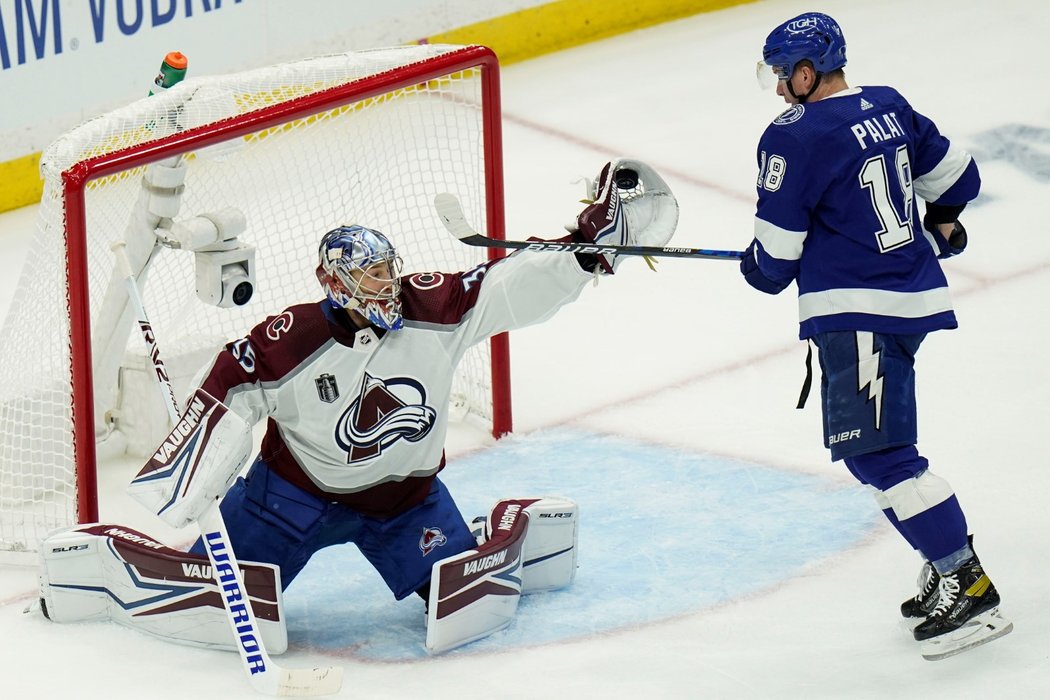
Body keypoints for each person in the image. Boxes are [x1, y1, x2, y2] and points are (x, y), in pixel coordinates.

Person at [183, 158, 678, 607]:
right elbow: (229, 384)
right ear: (335, 282)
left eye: (388, 270)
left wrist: (582, 253)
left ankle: (482, 533)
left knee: (468, 603)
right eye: (371, 275)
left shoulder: (433, 307)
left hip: (403, 501)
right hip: (289, 497)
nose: (388, 284)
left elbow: (505, 285)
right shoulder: (292, 339)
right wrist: (186, 478)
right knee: (209, 600)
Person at [740, 12, 1011, 654]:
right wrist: (941, 221)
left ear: (806, 74)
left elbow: (772, 265)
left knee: (882, 456)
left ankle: (966, 584)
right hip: (909, 300)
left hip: (858, 311)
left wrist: (756, 261)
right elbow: (958, 177)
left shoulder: (792, 136)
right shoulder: (886, 105)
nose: (780, 90)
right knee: (883, 452)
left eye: (783, 77)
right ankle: (941, 553)